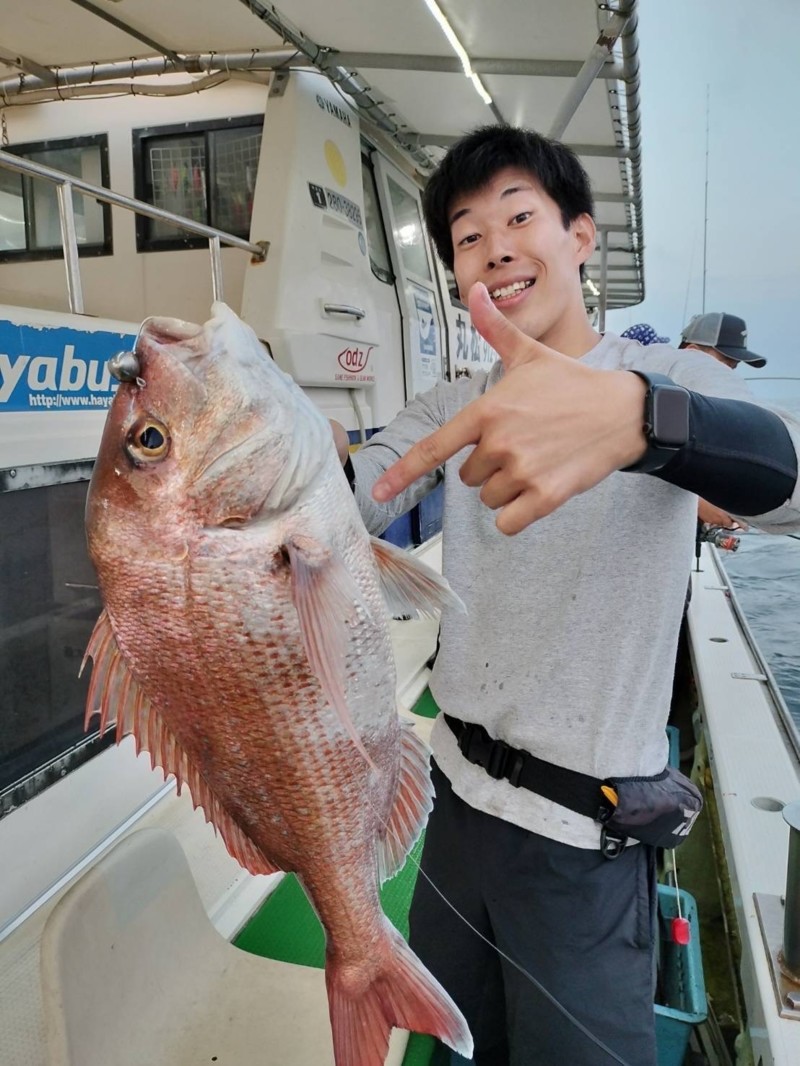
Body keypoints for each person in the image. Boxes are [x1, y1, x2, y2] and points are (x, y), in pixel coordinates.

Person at [332, 125, 800, 1065]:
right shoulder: (448, 403)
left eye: (519, 217)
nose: (495, 247)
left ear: (579, 238)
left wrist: (642, 419)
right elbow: (356, 496)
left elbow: (789, 479)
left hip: (583, 844)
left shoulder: (667, 374)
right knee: (455, 1050)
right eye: (468, 236)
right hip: (453, 811)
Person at [679, 311, 768, 528]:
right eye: (724, 364)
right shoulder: (650, 399)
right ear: (692, 353)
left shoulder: (705, 411)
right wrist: (699, 504)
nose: (729, 375)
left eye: (733, 368)